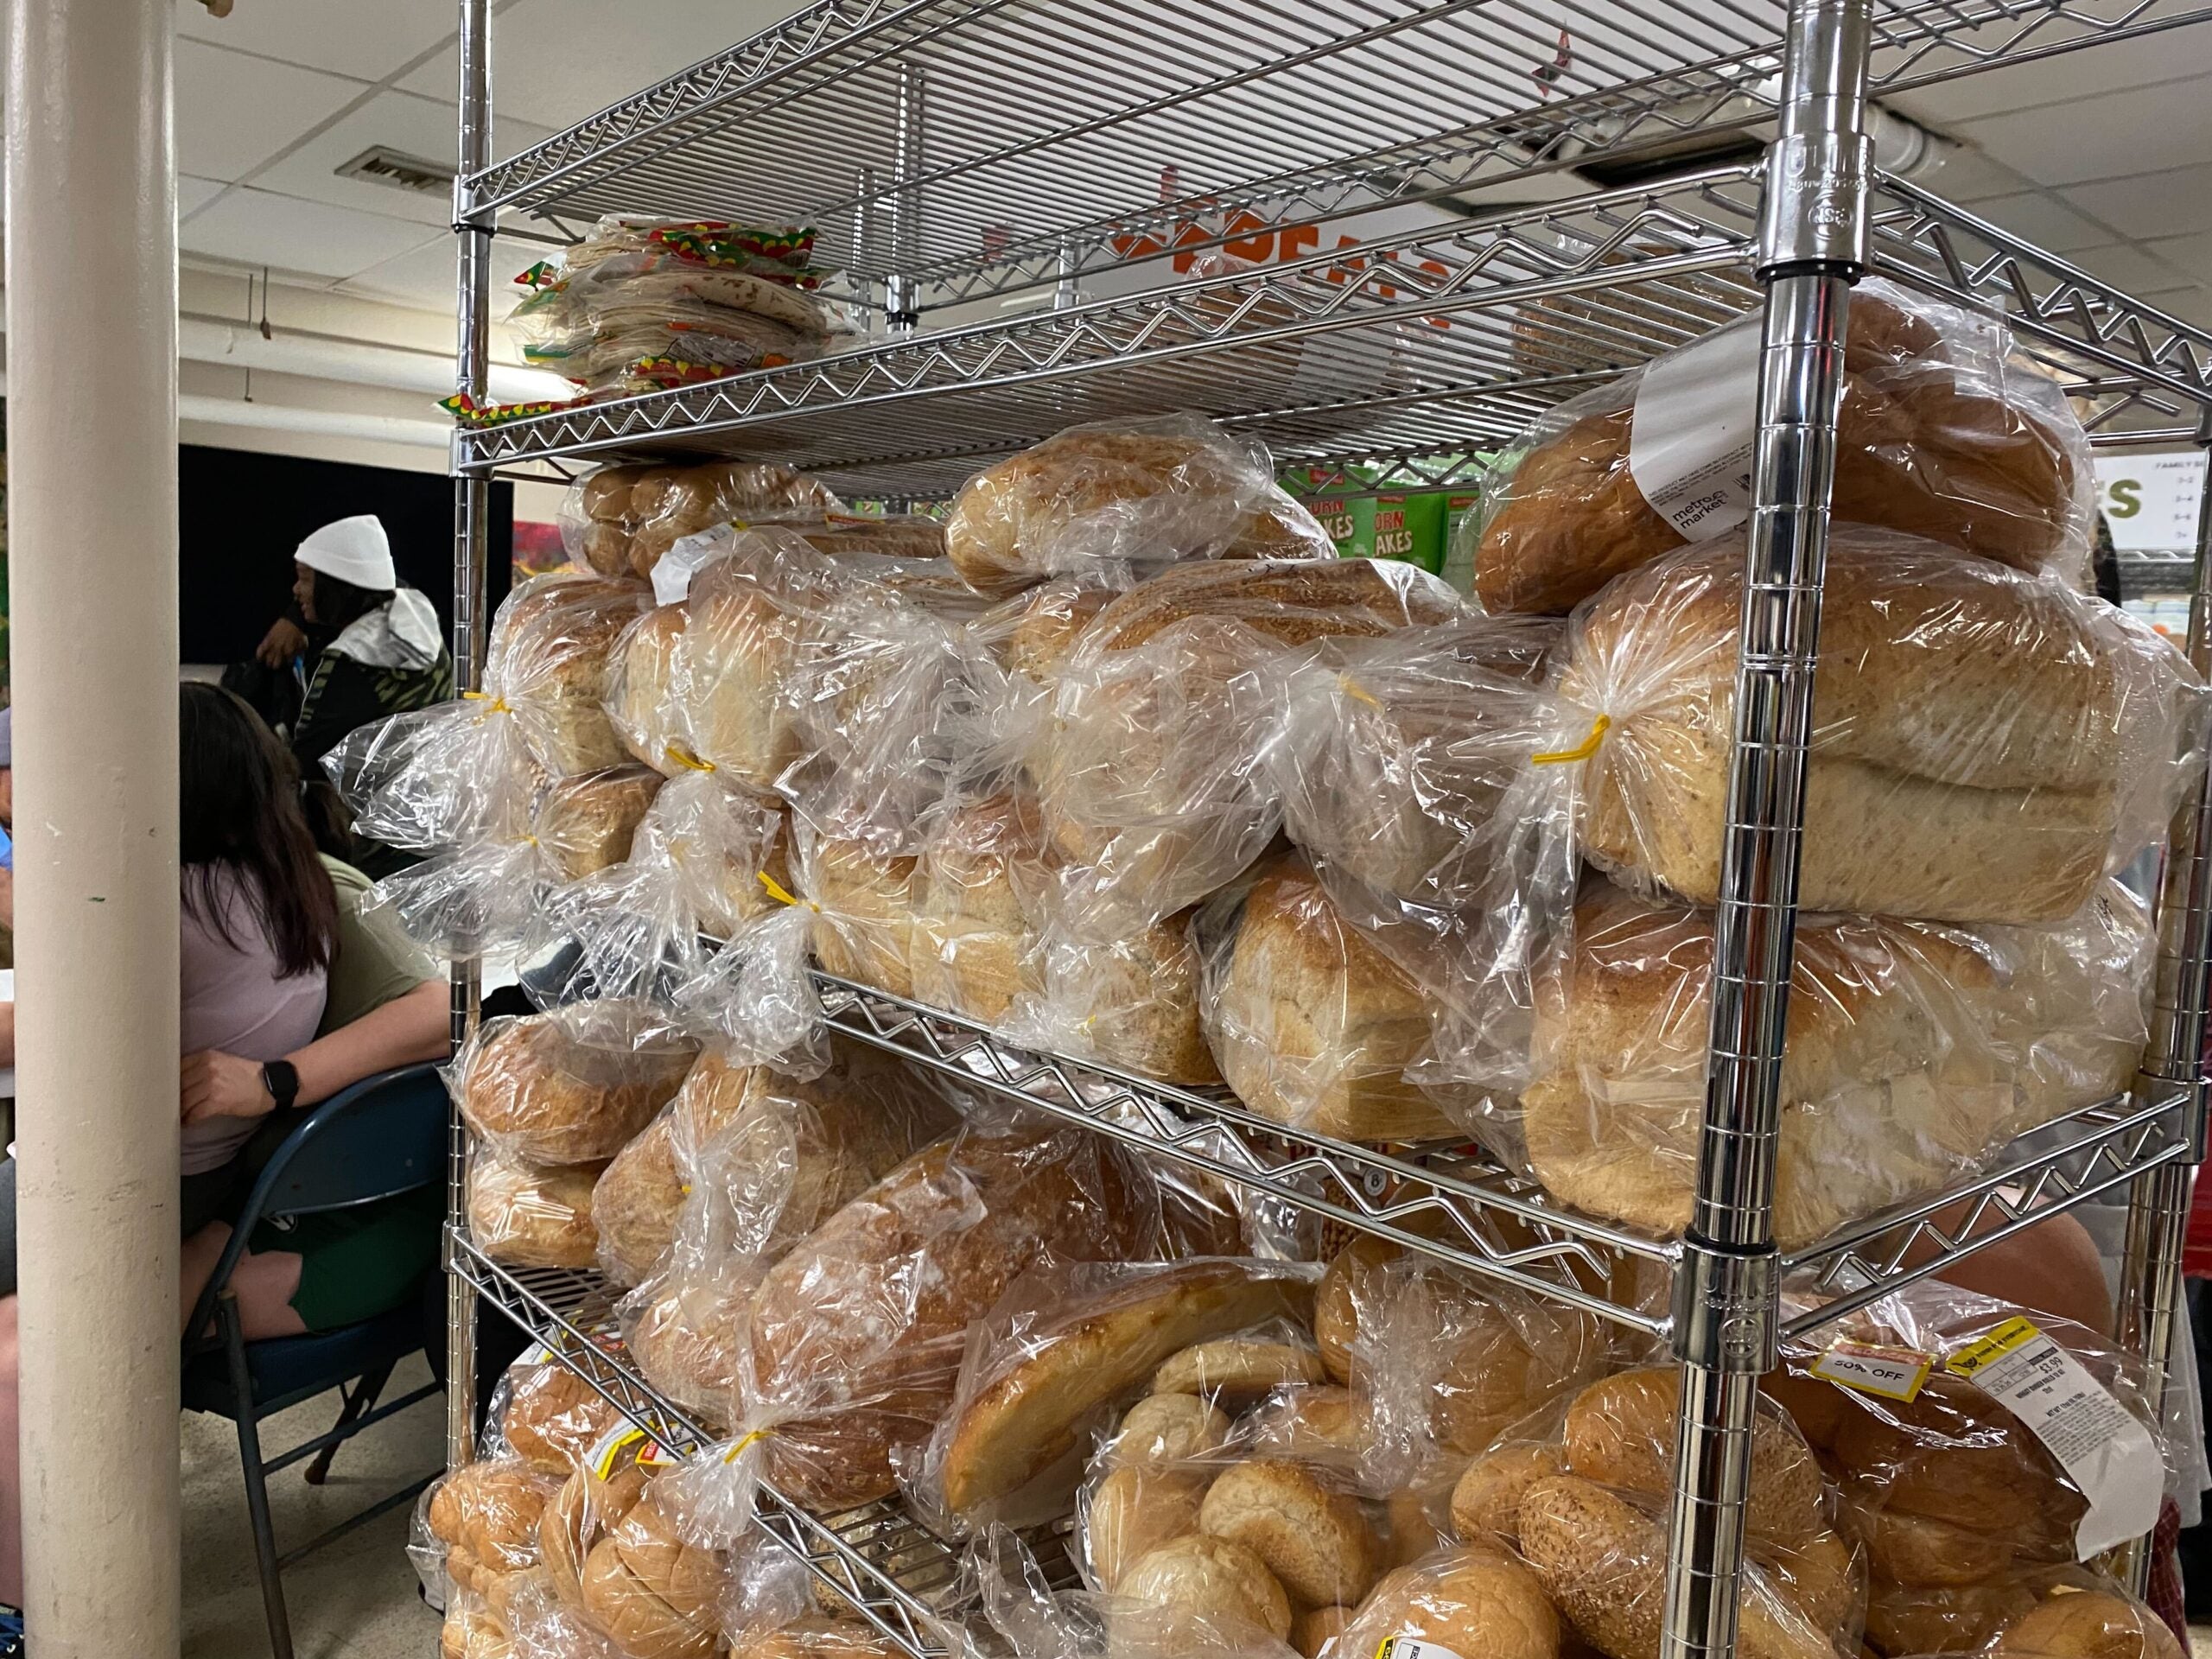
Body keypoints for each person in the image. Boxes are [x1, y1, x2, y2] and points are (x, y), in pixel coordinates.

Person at [270, 515, 452, 771]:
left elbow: (304, 762)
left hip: (359, 808)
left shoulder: (349, 661)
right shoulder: (420, 627)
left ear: (335, 585)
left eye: (305, 579)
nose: (296, 589)